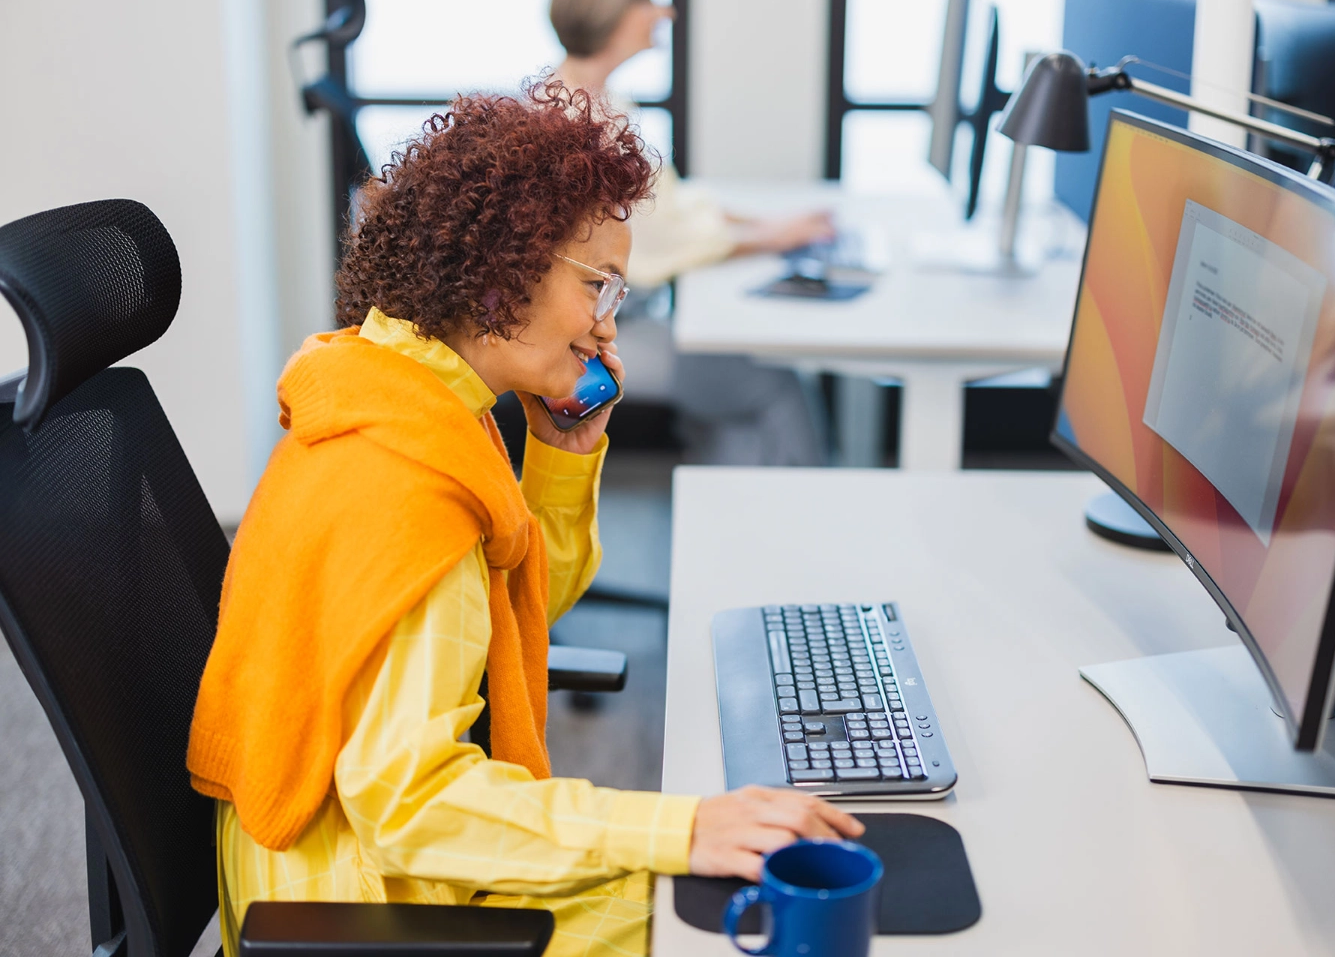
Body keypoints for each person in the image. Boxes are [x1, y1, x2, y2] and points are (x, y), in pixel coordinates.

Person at [186, 83, 862, 957]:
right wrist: (683, 828)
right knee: (734, 919)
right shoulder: (402, 477)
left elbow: (517, 606)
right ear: (504, 271)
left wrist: (565, 456)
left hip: (348, 860)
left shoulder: (397, 385)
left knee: (718, 887)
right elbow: (412, 803)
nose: (604, 326)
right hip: (362, 909)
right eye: (599, 287)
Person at [550, 0, 832, 466]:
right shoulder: (587, 121)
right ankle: (814, 512)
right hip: (597, 335)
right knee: (771, 381)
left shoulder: (594, 97)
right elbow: (662, 241)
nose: (665, 13)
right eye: (649, 3)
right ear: (614, 17)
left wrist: (758, 225)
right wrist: (772, 237)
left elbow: (667, 207)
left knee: (736, 375)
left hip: (621, 313)